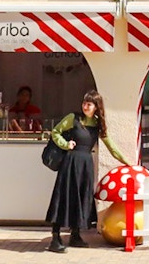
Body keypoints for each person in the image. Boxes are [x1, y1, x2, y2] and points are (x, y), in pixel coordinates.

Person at [46, 90, 129, 253]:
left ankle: (75, 235)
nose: (85, 106)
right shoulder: (73, 118)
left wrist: (127, 163)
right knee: (64, 198)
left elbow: (111, 146)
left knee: (81, 198)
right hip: (71, 163)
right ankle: (55, 238)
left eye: (89, 104)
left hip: (86, 166)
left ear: (96, 107)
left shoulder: (98, 124)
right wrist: (65, 144)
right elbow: (55, 132)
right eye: (84, 103)